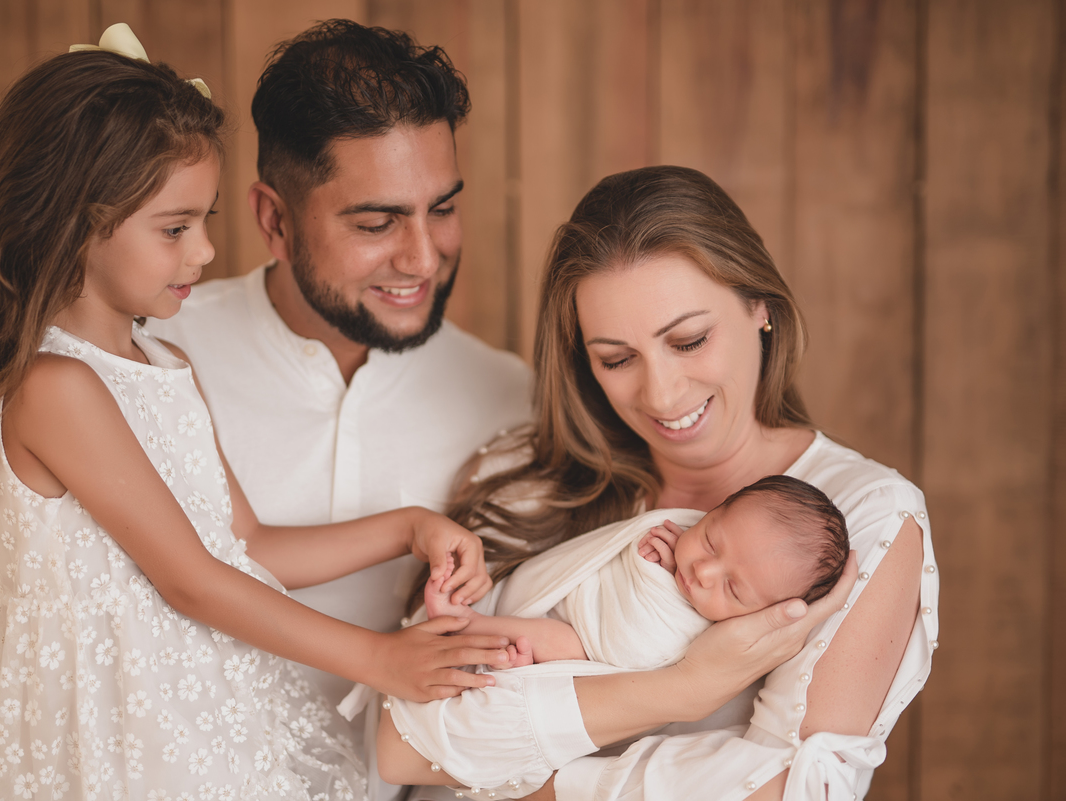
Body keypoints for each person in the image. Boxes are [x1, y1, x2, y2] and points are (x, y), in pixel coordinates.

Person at [0, 25, 514, 800]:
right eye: (175, 228)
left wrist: (410, 525)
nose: (206, 252)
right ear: (77, 225)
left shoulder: (165, 363)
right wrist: (382, 659)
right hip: (123, 737)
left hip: (193, 720)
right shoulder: (55, 388)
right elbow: (192, 581)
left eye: (204, 221)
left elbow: (242, 543)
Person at [386, 165, 938, 801]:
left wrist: (515, 772)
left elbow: (795, 786)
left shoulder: (866, 516)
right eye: (617, 359)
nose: (661, 393)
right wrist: (681, 690)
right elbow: (399, 747)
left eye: (690, 340)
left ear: (760, 307)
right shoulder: (527, 484)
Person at [143, 21, 532, 793]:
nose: (422, 256)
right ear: (274, 220)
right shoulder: (154, 356)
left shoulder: (509, 398)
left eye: (441, 208)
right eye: (377, 222)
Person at [420, 475, 850, 669]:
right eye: (710, 541)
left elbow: (628, 649)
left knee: (568, 642)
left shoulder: (694, 634)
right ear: (714, 509)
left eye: (732, 589)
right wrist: (664, 570)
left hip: (592, 647)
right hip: (566, 601)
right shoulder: (679, 539)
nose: (703, 571)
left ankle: (470, 624)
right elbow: (609, 555)